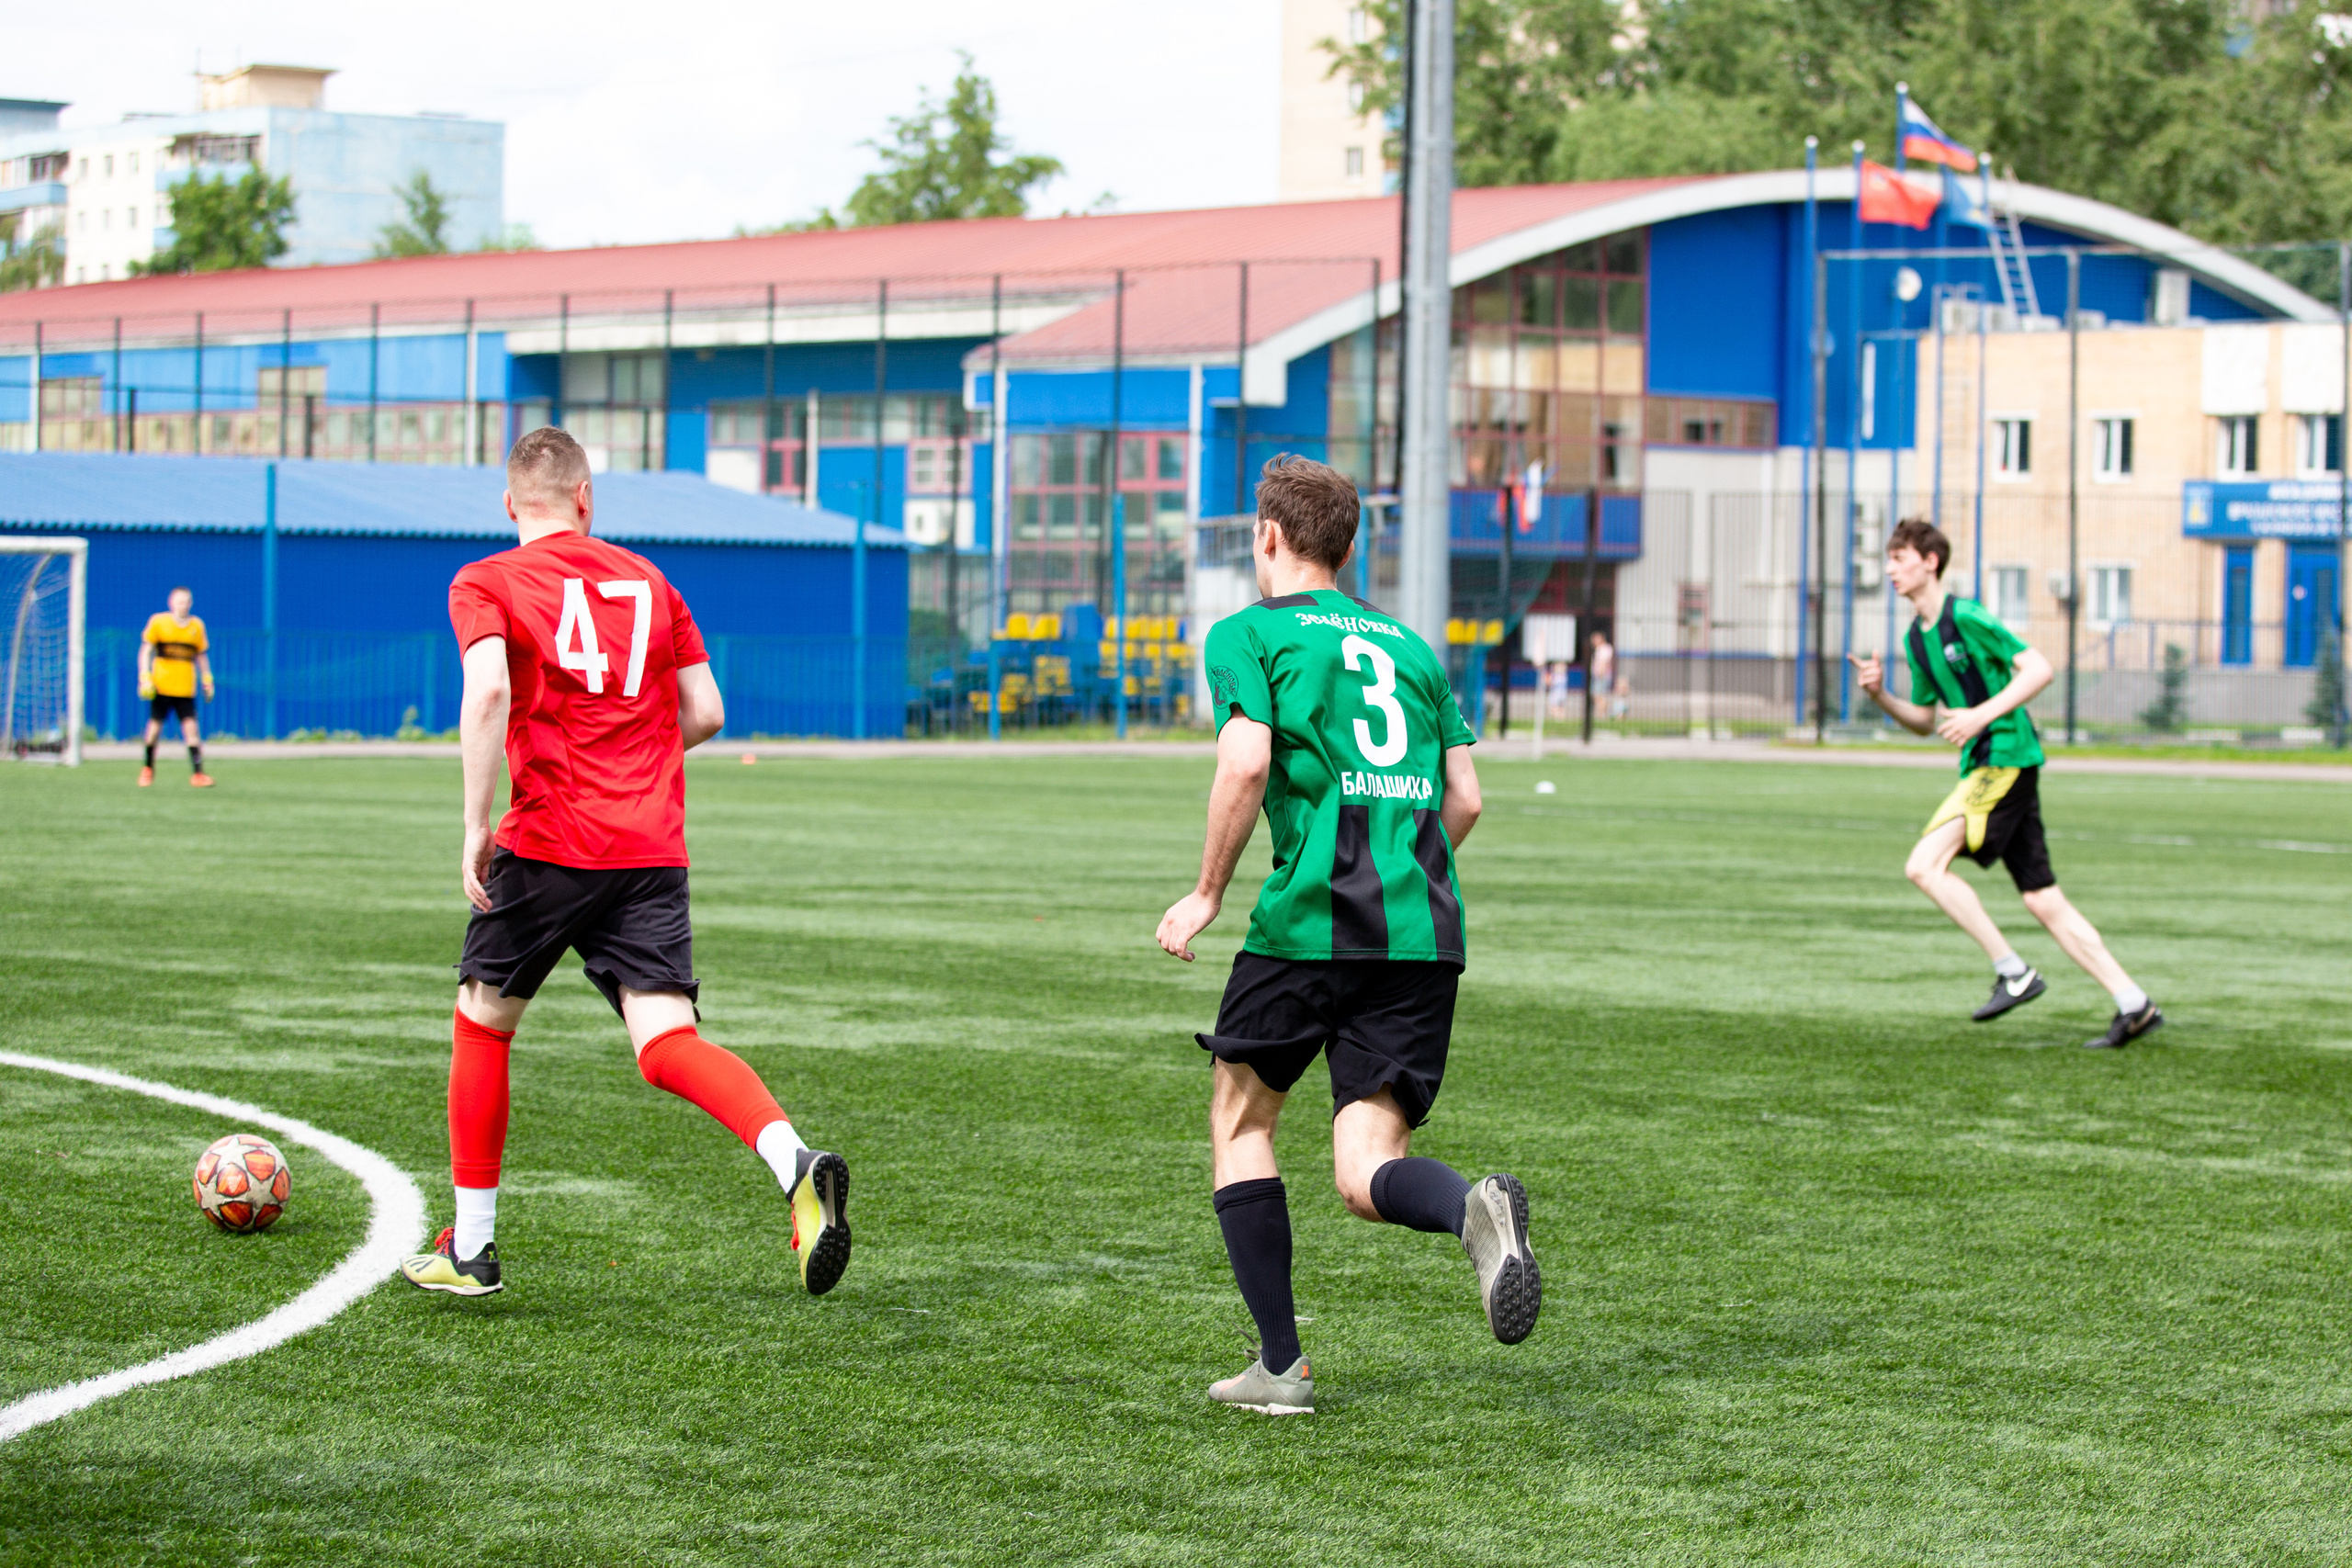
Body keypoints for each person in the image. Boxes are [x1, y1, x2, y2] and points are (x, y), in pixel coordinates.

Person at [400, 426, 850, 1298]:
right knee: (666, 1041)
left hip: (549, 837)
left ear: (509, 505)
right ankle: (793, 1159)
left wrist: (473, 822)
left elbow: (488, 687)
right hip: (648, 846)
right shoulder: (650, 579)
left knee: (482, 1019)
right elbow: (708, 709)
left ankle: (473, 1250)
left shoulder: (485, 579)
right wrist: (635, 758)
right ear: (585, 498)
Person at [1157, 455, 1540, 1416]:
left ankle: (1281, 1368)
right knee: (1365, 1167)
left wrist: (1206, 892)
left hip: (1305, 926)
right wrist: (1402, 870)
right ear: (1351, 545)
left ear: (1268, 539)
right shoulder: (1410, 648)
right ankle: (1465, 1209)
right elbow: (1467, 800)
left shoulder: (1250, 633)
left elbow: (1245, 761)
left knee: (1242, 1122)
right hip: (1420, 936)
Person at [1849, 518, 2161, 1049]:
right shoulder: (1916, 640)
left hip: (2005, 758)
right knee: (2042, 899)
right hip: (1988, 764)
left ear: (1930, 561)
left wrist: (1978, 716)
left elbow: (2038, 668)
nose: (1890, 568)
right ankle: (2134, 1004)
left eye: (1900, 557)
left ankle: (2013, 972)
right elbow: (1924, 721)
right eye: (1889, 558)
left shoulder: (1965, 616)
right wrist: (1881, 696)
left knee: (1923, 865)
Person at [138, 586, 213, 787]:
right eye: (180, 601)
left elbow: (201, 656)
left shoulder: (197, 626)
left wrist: (207, 679)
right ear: (171, 603)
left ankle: (198, 774)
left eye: (187, 602)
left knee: (192, 731)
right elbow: (145, 652)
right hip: (161, 687)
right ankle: (148, 769)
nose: (183, 605)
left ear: (191, 604)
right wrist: (145, 677)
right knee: (154, 730)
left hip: (185, 689)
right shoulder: (159, 623)